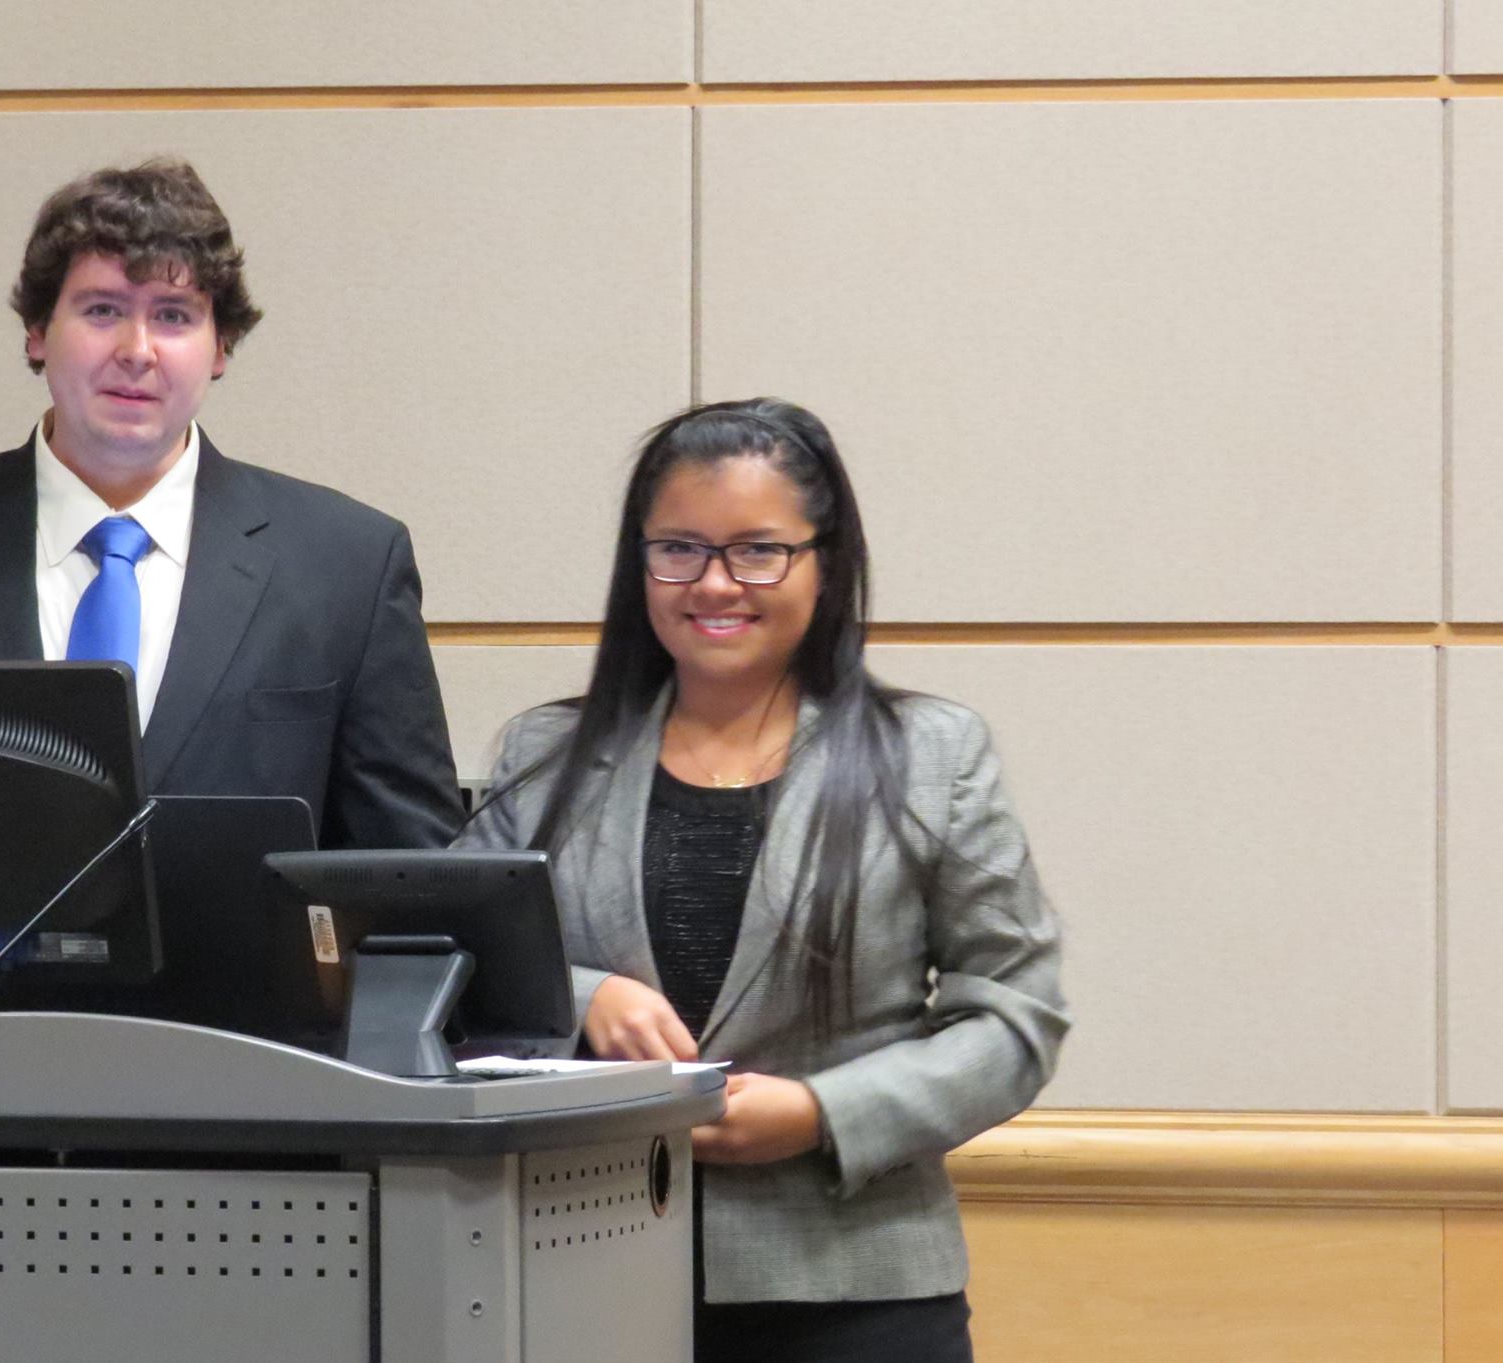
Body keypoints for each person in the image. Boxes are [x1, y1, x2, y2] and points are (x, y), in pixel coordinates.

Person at [0, 159, 462, 1028]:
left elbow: (415, 879)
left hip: (257, 1105)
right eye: (102, 309)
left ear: (220, 349)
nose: (137, 350)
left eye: (174, 316)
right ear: (36, 331)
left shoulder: (345, 564)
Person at [456, 398, 1068, 1362]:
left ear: (825, 564)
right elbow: (444, 967)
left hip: (854, 1285)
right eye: (680, 549)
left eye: (758, 550)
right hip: (578, 1272)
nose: (715, 583)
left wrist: (827, 1113)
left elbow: (1015, 1017)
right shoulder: (545, 754)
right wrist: (581, 994)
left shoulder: (933, 754)